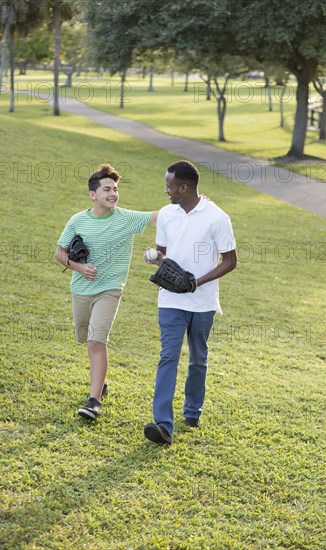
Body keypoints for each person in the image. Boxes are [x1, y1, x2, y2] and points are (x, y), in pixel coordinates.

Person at [144, 160, 237, 445]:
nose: (166, 191)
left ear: (184, 188)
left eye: (170, 186)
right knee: (168, 356)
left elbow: (230, 261)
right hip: (170, 299)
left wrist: (198, 281)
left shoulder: (217, 217)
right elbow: (163, 252)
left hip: (203, 302)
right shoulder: (167, 215)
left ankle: (192, 411)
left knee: (198, 358)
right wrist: (155, 257)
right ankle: (163, 424)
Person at [55, 163, 157, 420]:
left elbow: (161, 215)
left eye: (115, 189)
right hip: (81, 289)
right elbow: (60, 253)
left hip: (110, 290)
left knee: (96, 341)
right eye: (106, 189)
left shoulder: (126, 218)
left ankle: (94, 401)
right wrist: (79, 267)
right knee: (83, 337)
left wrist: (193, 202)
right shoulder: (77, 220)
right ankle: (100, 382)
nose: (113, 193)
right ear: (93, 194)